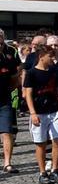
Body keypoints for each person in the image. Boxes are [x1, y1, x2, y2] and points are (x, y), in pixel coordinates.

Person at [23, 43, 58, 184]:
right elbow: (28, 94)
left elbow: (57, 89)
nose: (52, 59)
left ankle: (55, 169)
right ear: (41, 57)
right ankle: (42, 172)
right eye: (50, 56)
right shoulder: (31, 73)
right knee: (40, 143)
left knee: (57, 140)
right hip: (39, 112)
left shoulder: (53, 71)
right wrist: (32, 113)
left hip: (54, 110)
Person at [0, 39, 19, 174]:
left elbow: (14, 79)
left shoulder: (8, 60)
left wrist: (6, 90)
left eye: (1, 44)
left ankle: (7, 163)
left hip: (4, 101)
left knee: (7, 131)